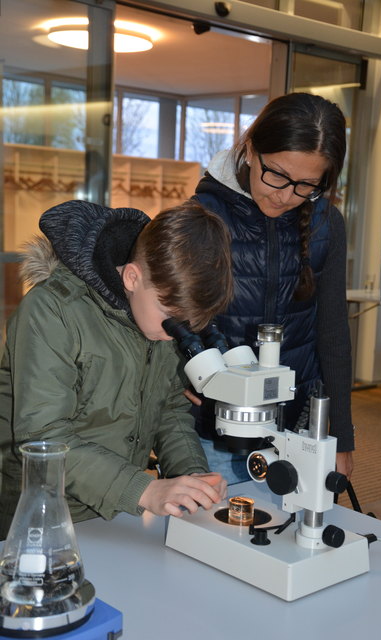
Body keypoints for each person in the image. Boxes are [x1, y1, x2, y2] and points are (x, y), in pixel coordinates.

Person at [0, 199, 233, 539]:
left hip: (116, 512)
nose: (177, 332)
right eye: (172, 316)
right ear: (132, 276)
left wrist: (192, 478)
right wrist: (145, 490)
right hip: (40, 515)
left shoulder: (156, 321)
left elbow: (169, 412)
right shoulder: (52, 311)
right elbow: (44, 438)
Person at [191, 92, 354, 484]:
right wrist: (171, 382)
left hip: (298, 427)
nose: (285, 195)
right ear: (250, 149)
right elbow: (163, 321)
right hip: (215, 431)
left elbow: (332, 334)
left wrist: (341, 437)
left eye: (306, 185)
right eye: (277, 174)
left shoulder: (325, 223)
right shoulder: (200, 219)